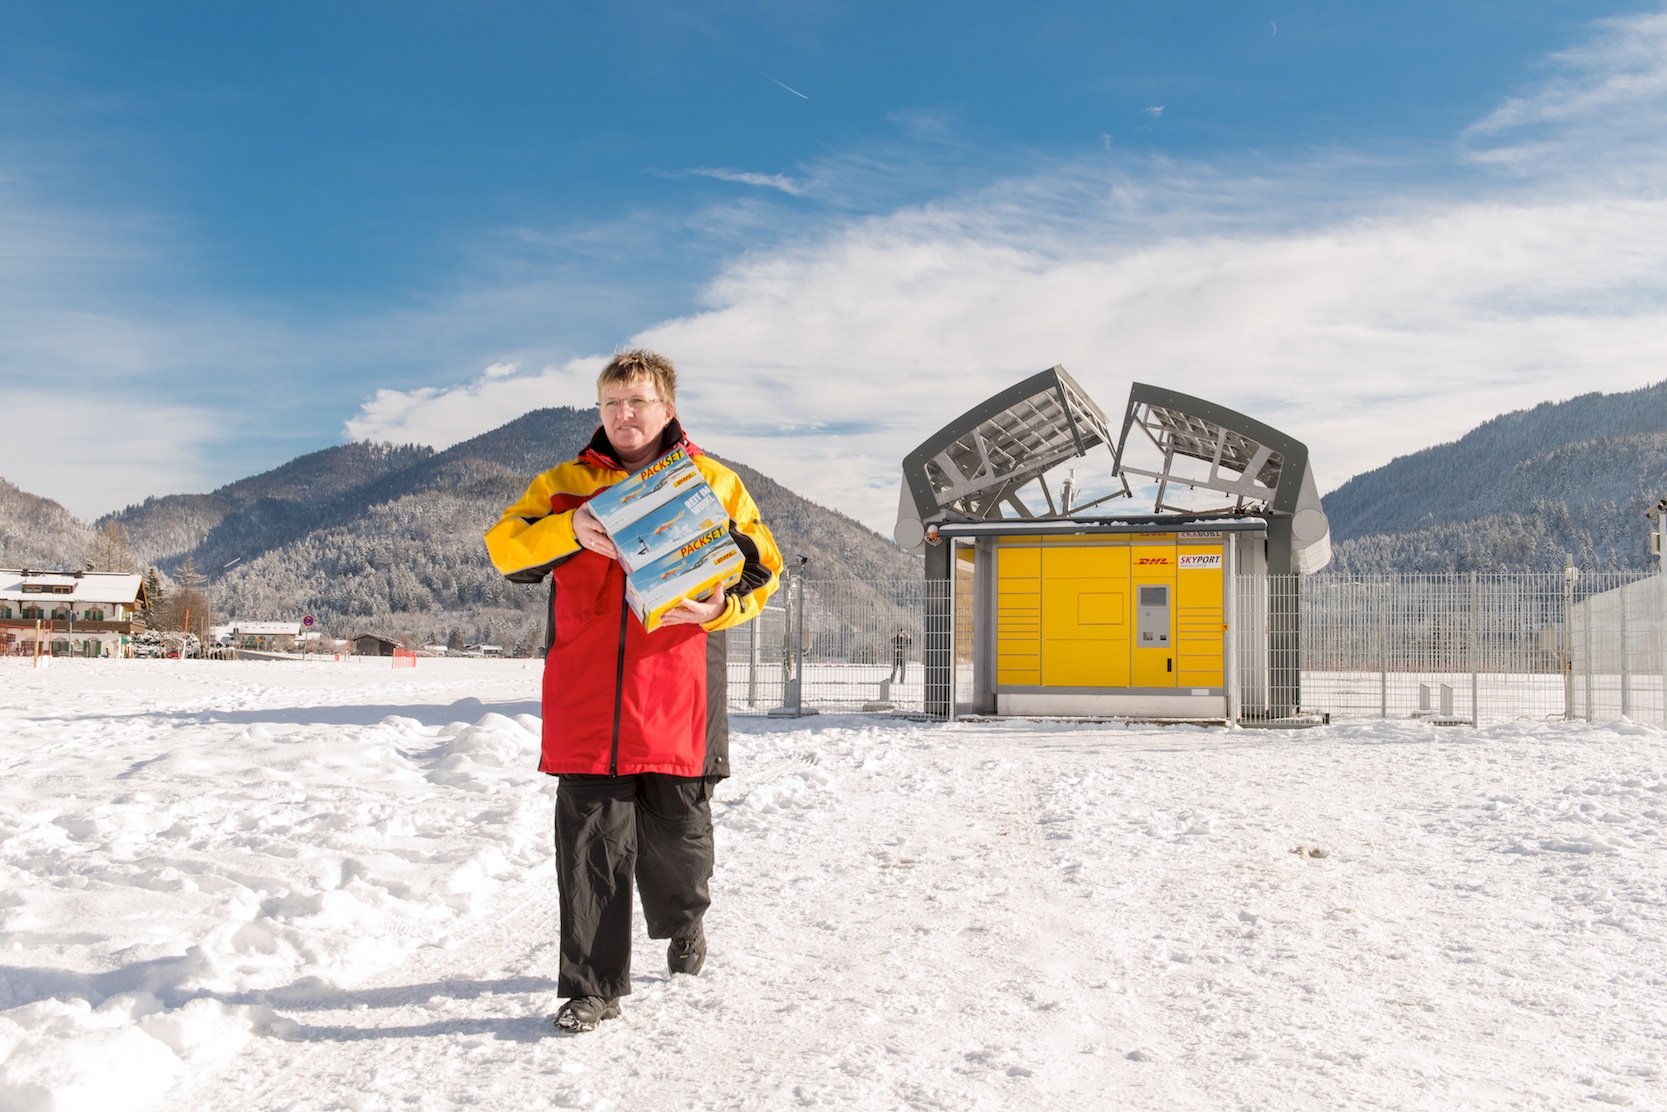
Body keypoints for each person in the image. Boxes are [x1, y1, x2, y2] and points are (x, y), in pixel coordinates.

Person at [484, 349, 782, 1033]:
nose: (624, 415)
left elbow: (762, 570)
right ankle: (592, 988)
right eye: (611, 403)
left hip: (677, 696)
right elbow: (504, 548)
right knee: (591, 848)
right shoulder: (563, 486)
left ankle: (684, 922)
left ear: (666, 409)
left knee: (679, 840)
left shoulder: (712, 481)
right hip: (586, 701)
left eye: (638, 402)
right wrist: (570, 530)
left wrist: (719, 611)